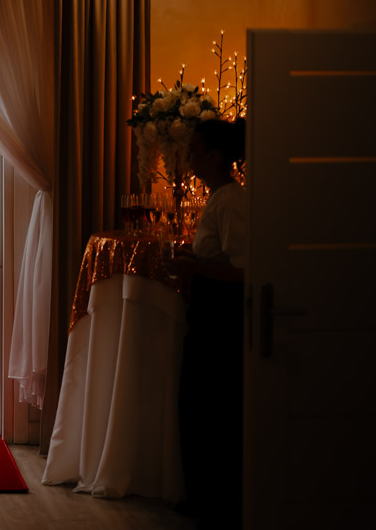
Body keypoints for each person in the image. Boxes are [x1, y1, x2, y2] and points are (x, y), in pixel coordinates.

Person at [165, 117, 247, 527]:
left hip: (221, 314)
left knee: (208, 406)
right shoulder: (220, 197)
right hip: (210, 308)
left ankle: (214, 500)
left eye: (195, 149)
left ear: (215, 155)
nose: (190, 157)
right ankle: (204, 496)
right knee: (201, 404)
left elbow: (242, 270)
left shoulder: (230, 201)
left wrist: (193, 268)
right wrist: (194, 259)